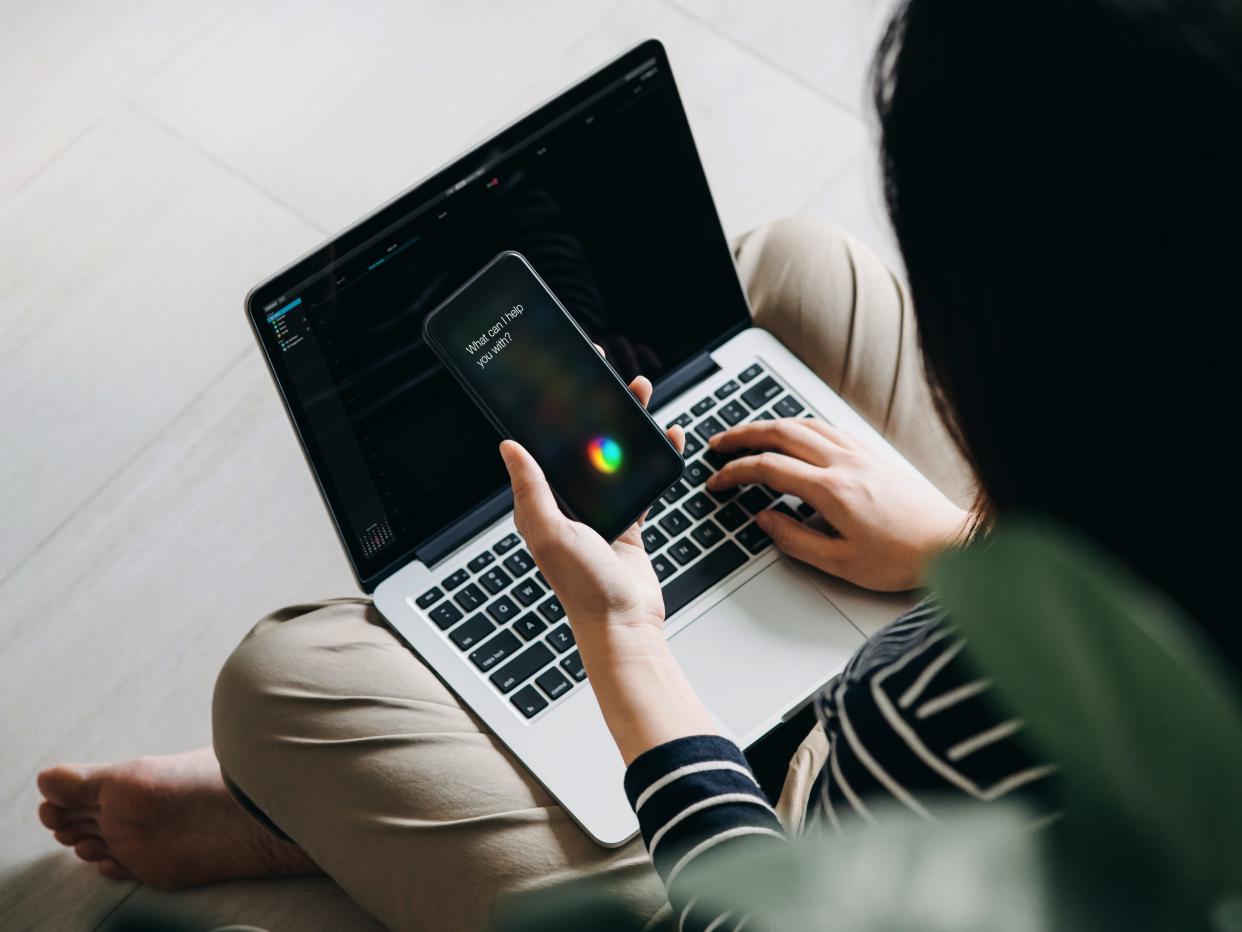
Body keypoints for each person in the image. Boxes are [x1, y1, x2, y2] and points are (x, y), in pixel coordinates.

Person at [36, 0, 1239, 929]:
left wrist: (622, 646)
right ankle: (422, 792)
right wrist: (954, 543)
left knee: (281, 689)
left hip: (793, 850)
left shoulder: (924, 723)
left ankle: (339, 817)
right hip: (1000, 689)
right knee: (795, 278)